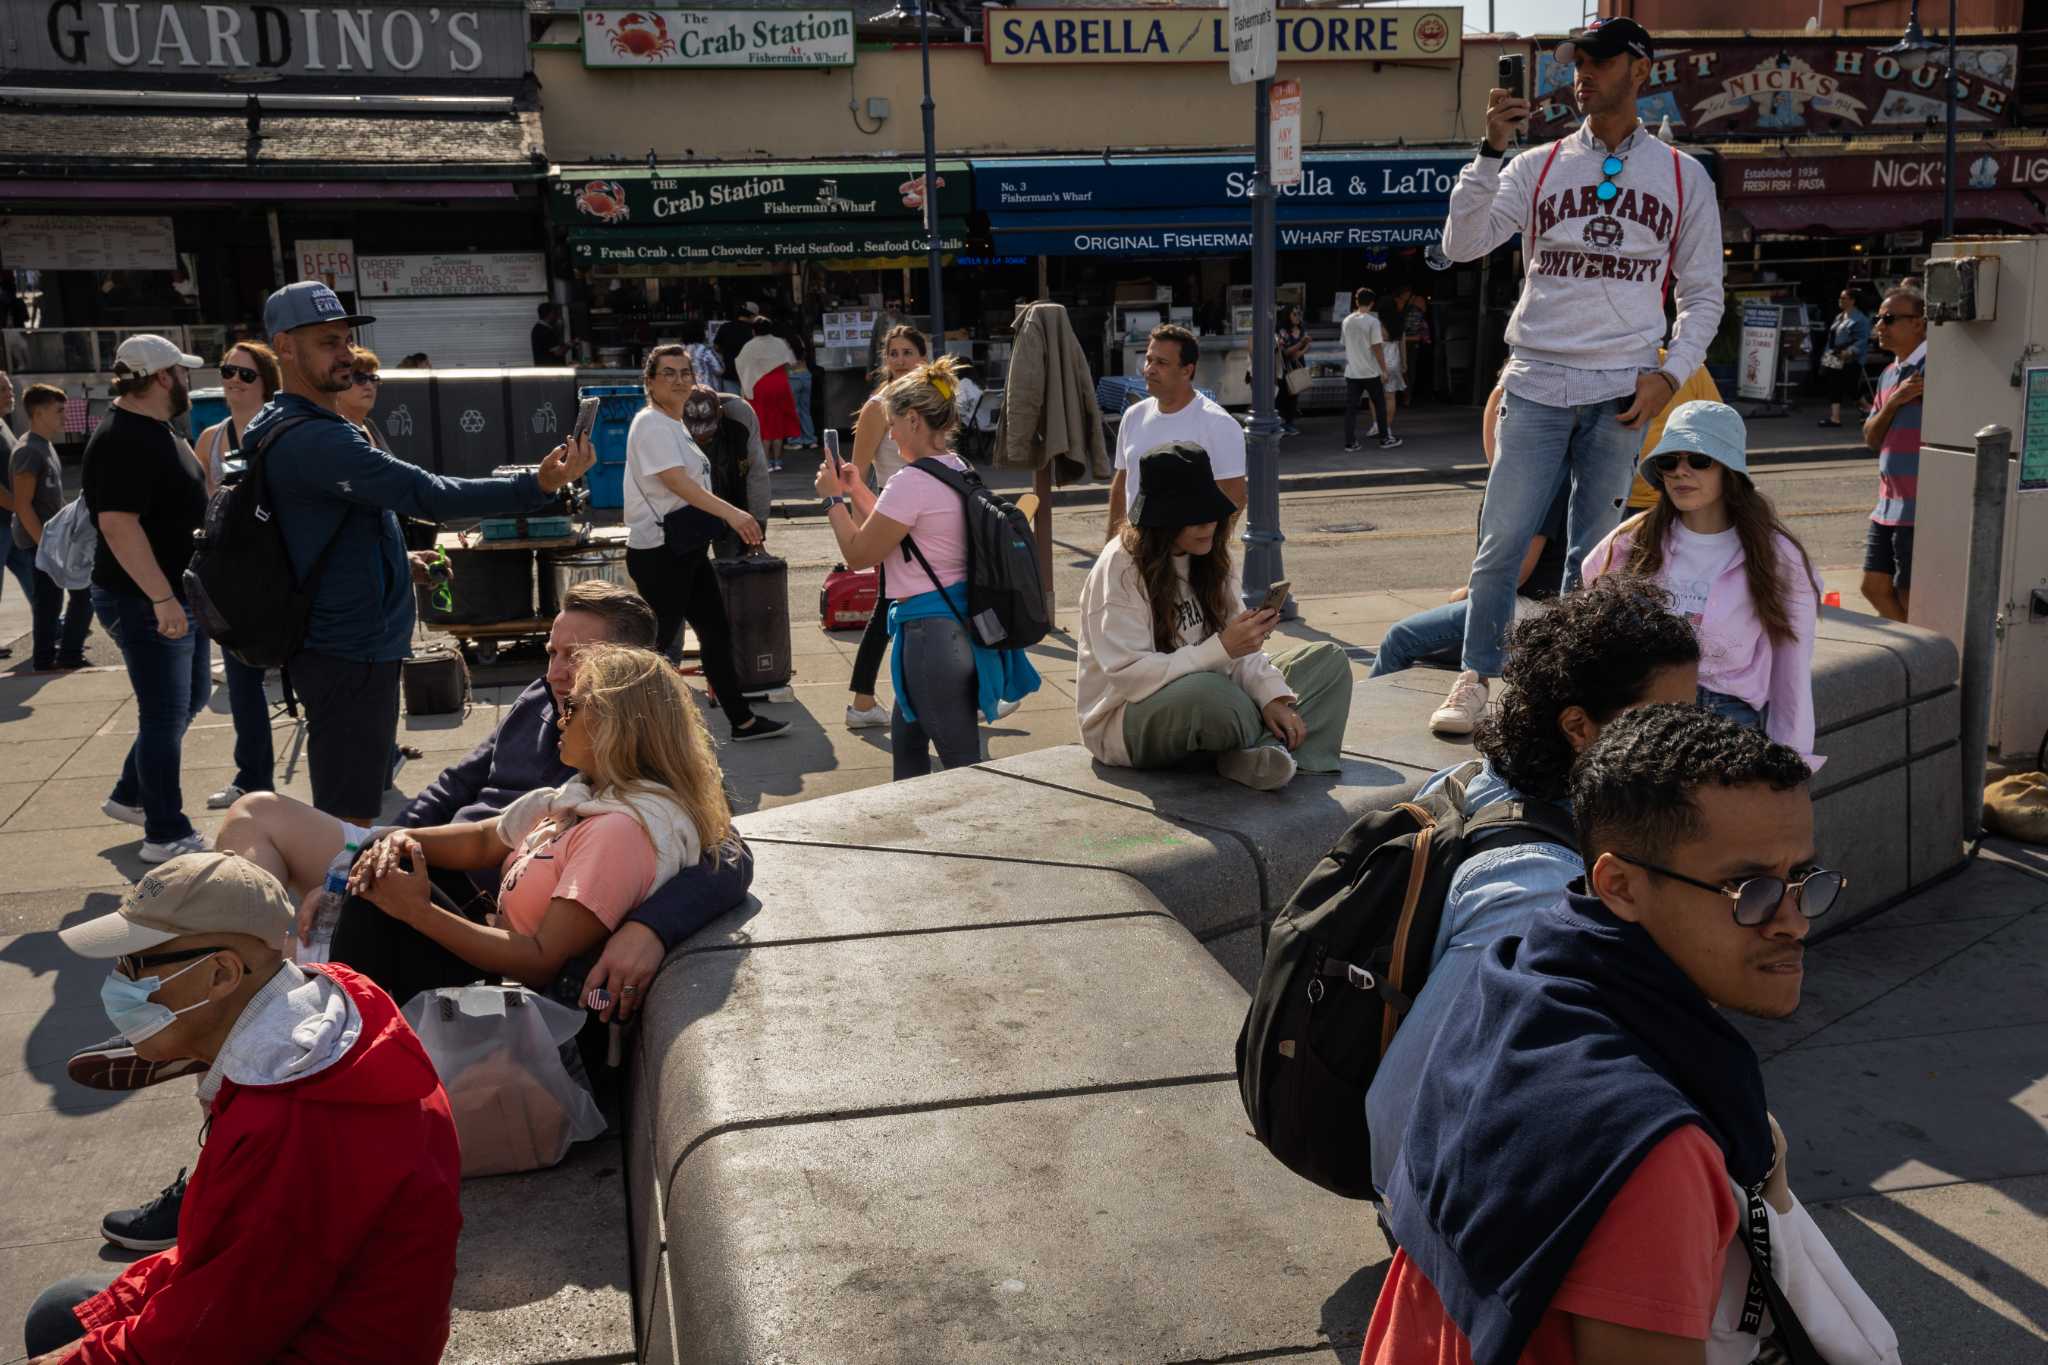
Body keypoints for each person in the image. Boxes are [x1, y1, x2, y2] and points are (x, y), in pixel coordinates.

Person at [84, 582, 751, 1251]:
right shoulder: (563, 757)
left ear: (622, 697)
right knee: (261, 818)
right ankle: (220, 1017)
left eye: (574, 663)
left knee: (368, 931)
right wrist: (380, 847)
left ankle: (225, 1030)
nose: (555, 680)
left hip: (504, 964)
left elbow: (720, 844)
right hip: (470, 898)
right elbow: (469, 810)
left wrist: (648, 925)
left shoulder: (623, 811)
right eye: (551, 652)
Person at [1366, 705, 1872, 1365]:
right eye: (1750, 889)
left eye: (1803, 879)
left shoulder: (1521, 969)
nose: (1792, 922)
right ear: (1621, 885)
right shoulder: (1656, 1157)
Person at [30, 852, 461, 1362]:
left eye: (137, 964)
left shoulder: (288, 1117)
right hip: (305, 1312)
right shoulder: (321, 1024)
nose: (118, 980)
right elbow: (227, 1260)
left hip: (313, 1344)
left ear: (220, 975)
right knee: (63, 1311)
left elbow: (213, 1334)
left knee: (58, 1332)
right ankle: (201, 1044)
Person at [1434, 15, 1723, 739]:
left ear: (1641, 71)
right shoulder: (1535, 164)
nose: (1581, 74)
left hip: (1623, 390)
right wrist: (1490, 149)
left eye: (1598, 61)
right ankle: (1476, 677)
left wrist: (1669, 375)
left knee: (1592, 557)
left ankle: (1557, 689)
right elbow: (1462, 243)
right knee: (1501, 541)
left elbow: (1704, 294)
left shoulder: (1685, 178)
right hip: (1536, 380)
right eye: (1575, 62)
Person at [1367, 574, 1702, 1192]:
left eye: (1696, 710)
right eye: (1666, 718)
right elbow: (1400, 1101)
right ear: (1579, 727)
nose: (1688, 738)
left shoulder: (1476, 779)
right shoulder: (1536, 889)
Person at [244, 281, 593, 826]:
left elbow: (330, 531)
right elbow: (431, 495)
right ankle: (337, 902)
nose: (344, 354)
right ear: (285, 348)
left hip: (347, 642)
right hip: (348, 650)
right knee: (348, 812)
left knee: (354, 792)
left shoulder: (299, 426)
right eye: (328, 342)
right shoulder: (315, 438)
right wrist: (539, 483)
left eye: (346, 341)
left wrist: (399, 565)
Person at [330, 644, 729, 1006]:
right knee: (386, 851)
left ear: (614, 725)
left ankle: (343, 1029)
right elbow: (488, 839)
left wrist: (417, 912)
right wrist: (398, 837)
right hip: (494, 959)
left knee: (378, 890)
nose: (559, 719)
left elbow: (541, 963)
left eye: (572, 708)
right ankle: (346, 1012)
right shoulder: (583, 795)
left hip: (518, 999)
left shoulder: (619, 832)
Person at [814, 355, 1040, 779]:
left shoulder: (910, 482)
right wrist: (857, 488)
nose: (891, 432)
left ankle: (983, 843)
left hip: (930, 635)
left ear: (915, 420)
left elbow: (860, 554)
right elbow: (895, 532)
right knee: (910, 752)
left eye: (894, 423)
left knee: (959, 767)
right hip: (955, 627)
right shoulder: (956, 468)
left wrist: (832, 502)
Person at [1077, 442, 1351, 791]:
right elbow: (1131, 677)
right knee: (1214, 695)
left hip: (1211, 688)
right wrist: (1222, 648)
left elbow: (1239, 654)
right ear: (1162, 519)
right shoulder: (1121, 567)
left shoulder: (1210, 557)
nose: (1209, 522)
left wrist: (1274, 697)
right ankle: (1266, 747)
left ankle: (1258, 754)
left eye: (1211, 510)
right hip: (1123, 720)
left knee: (1328, 662)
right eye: (1194, 514)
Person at [1586, 401, 1822, 762]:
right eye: (1669, 462)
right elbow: (1593, 613)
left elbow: (1792, 666)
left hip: (1727, 714)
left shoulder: (1777, 554)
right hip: (1644, 706)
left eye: (1698, 460)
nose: (1681, 472)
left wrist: (1792, 756)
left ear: (1728, 470)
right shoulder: (1633, 538)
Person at [82, 336, 214, 863]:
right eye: (182, 373)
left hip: (172, 591)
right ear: (162, 378)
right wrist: (161, 599)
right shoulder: (122, 438)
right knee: (163, 713)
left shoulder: (156, 428)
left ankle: (132, 794)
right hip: (145, 598)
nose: (188, 381)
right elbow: (117, 525)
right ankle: (165, 832)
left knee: (192, 696)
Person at [622, 344, 787, 743]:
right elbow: (676, 482)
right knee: (658, 645)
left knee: (714, 630)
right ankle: (633, 732)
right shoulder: (651, 425)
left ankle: (741, 721)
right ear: (650, 381)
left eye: (685, 372)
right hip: (660, 552)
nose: (679, 380)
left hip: (685, 547)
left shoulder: (673, 422)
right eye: (668, 373)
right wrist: (733, 513)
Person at [1370, 378, 1569, 677]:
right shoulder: (1516, 476)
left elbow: (1517, 571)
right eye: (1493, 417)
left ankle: (1369, 722)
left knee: (1399, 639)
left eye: (1500, 418)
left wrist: (1468, 593)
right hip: (1515, 603)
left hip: (1527, 610)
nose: (1492, 432)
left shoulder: (1536, 479)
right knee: (1422, 647)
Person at [193, 341, 286, 810]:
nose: (232, 379)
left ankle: (365, 765)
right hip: (234, 578)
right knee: (242, 681)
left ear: (267, 381)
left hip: (286, 573)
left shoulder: (284, 432)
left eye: (245, 374)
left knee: (314, 677)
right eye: (228, 370)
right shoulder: (210, 438)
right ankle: (253, 779)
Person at [845, 324, 930, 728]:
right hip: (896, 516)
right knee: (895, 608)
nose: (900, 360)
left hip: (929, 515)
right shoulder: (878, 406)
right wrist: (869, 528)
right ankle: (863, 704)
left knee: (893, 609)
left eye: (908, 352)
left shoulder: (932, 401)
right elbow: (856, 473)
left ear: (923, 356)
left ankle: (863, 704)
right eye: (893, 353)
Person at [1106, 324, 1247, 540]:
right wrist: (1111, 543)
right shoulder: (1133, 415)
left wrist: (1208, 552)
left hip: (1187, 560)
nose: (1149, 369)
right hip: (1134, 552)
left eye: (1161, 362)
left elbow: (1234, 496)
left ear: (1186, 370)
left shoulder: (1218, 424)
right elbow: (1122, 484)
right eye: (1149, 359)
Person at [13, 382, 93, 670]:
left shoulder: (45, 446)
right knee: (54, 602)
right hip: (39, 543)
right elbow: (22, 505)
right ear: (38, 412)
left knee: (77, 596)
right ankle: (48, 658)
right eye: (59, 411)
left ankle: (66, 653)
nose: (64, 416)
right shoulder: (28, 451)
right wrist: (45, 548)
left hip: (55, 541)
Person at [1860, 287, 1925, 624]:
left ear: (1920, 324)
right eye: (1878, 319)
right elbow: (1871, 437)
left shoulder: (1938, 369)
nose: (1879, 326)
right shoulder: (1889, 374)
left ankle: (1924, 660)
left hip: (1918, 504)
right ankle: (1919, 652)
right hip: (1887, 504)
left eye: (1889, 318)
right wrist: (1897, 400)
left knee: (1911, 594)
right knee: (1873, 586)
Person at [678, 381, 772, 561]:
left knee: (733, 564)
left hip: (732, 494)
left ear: (720, 413)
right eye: (696, 437)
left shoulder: (740, 415)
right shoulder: (669, 421)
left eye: (708, 435)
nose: (703, 441)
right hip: (688, 502)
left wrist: (757, 533)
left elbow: (757, 475)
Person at [1623, 347, 1722, 515]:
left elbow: (1718, 428)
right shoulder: (1601, 369)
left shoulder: (1687, 366)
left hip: (1678, 497)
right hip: (1615, 499)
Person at [735, 316, 801, 473]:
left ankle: (765, 462)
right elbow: (791, 361)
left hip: (760, 386)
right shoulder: (779, 342)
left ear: (753, 330)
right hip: (780, 383)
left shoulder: (749, 346)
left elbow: (740, 364)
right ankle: (778, 461)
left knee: (763, 423)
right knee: (777, 421)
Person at [1342, 288, 1400, 452]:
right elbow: (1377, 347)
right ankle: (1384, 438)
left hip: (1352, 371)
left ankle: (1350, 442)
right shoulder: (1373, 322)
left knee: (1351, 408)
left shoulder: (1346, 321)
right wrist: (1383, 369)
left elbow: (1344, 343)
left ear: (1356, 301)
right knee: (1380, 405)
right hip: (1370, 371)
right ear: (1372, 303)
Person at [0, 368, 26, 657]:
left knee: (34, 573)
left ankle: (51, 627)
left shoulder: (3, 423)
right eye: (4, 390)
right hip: (5, 521)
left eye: (10, 389)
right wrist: (20, 508)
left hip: (10, 521)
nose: (10, 394)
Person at [1819, 287, 1870, 429]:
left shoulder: (1860, 319)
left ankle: (1869, 409)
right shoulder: (1839, 316)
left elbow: (1862, 339)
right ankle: (1835, 418)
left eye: (1843, 298)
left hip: (1850, 358)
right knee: (1833, 384)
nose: (1840, 300)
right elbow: (1832, 337)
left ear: (1852, 301)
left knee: (1851, 387)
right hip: (1834, 355)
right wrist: (1826, 355)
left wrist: (1850, 352)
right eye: (1840, 298)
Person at [781, 317, 817, 450]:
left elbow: (786, 363)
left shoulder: (783, 342)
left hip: (793, 377)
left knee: (793, 411)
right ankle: (811, 440)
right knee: (805, 410)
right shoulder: (800, 339)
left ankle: (795, 441)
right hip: (806, 375)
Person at [1274, 305, 1308, 438]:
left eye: (1299, 313)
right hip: (1285, 367)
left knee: (1294, 394)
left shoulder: (1301, 328)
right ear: (1288, 315)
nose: (1297, 316)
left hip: (1297, 365)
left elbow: (1304, 349)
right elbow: (1286, 352)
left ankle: (1289, 422)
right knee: (1283, 395)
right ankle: (1282, 423)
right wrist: (1301, 345)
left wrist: (1302, 350)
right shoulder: (1282, 330)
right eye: (1294, 314)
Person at [681, 319, 725, 395]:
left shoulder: (680, 351)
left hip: (686, 391)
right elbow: (719, 370)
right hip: (706, 391)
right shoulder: (705, 350)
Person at [531, 300, 569, 367]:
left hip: (545, 369)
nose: (557, 316)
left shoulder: (537, 328)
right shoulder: (545, 331)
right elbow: (559, 352)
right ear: (550, 314)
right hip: (552, 370)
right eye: (556, 313)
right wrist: (569, 345)